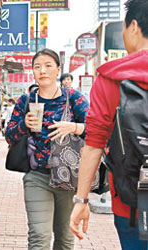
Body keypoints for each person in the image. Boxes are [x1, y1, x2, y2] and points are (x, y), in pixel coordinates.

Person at [70, 1, 148, 248]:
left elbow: (94, 144)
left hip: (132, 203)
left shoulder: (111, 78)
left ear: (133, 26)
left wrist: (81, 201)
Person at [5, 48, 89, 250]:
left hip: (68, 178)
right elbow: (9, 136)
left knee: (65, 239)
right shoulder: (26, 100)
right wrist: (23, 124)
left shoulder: (74, 98)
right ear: (32, 72)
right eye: (37, 67)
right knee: (38, 238)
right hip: (37, 177)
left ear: (58, 70)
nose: (42, 70)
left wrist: (74, 127)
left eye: (48, 66)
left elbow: (96, 131)